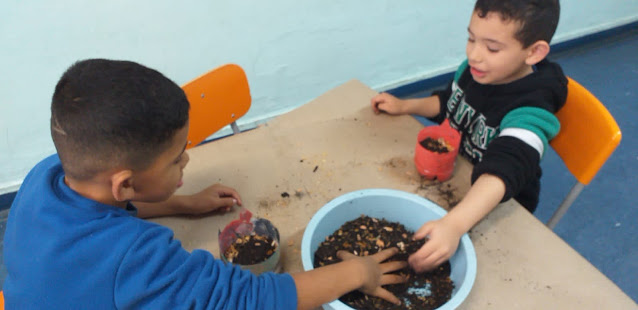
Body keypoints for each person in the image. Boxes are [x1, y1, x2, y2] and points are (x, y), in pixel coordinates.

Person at [3, 59, 407, 309]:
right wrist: (359, 274)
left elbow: (105, 207)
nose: (188, 160)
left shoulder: (49, 175)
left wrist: (182, 204)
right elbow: (248, 299)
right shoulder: (138, 257)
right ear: (125, 184)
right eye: (177, 156)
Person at [370, 0, 567, 273]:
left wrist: (453, 225)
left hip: (497, 202)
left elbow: (508, 166)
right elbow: (449, 103)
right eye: (471, 38)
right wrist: (406, 106)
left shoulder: (532, 106)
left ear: (534, 52)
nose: (474, 54)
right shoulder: (476, 72)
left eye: (492, 48)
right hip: (456, 177)